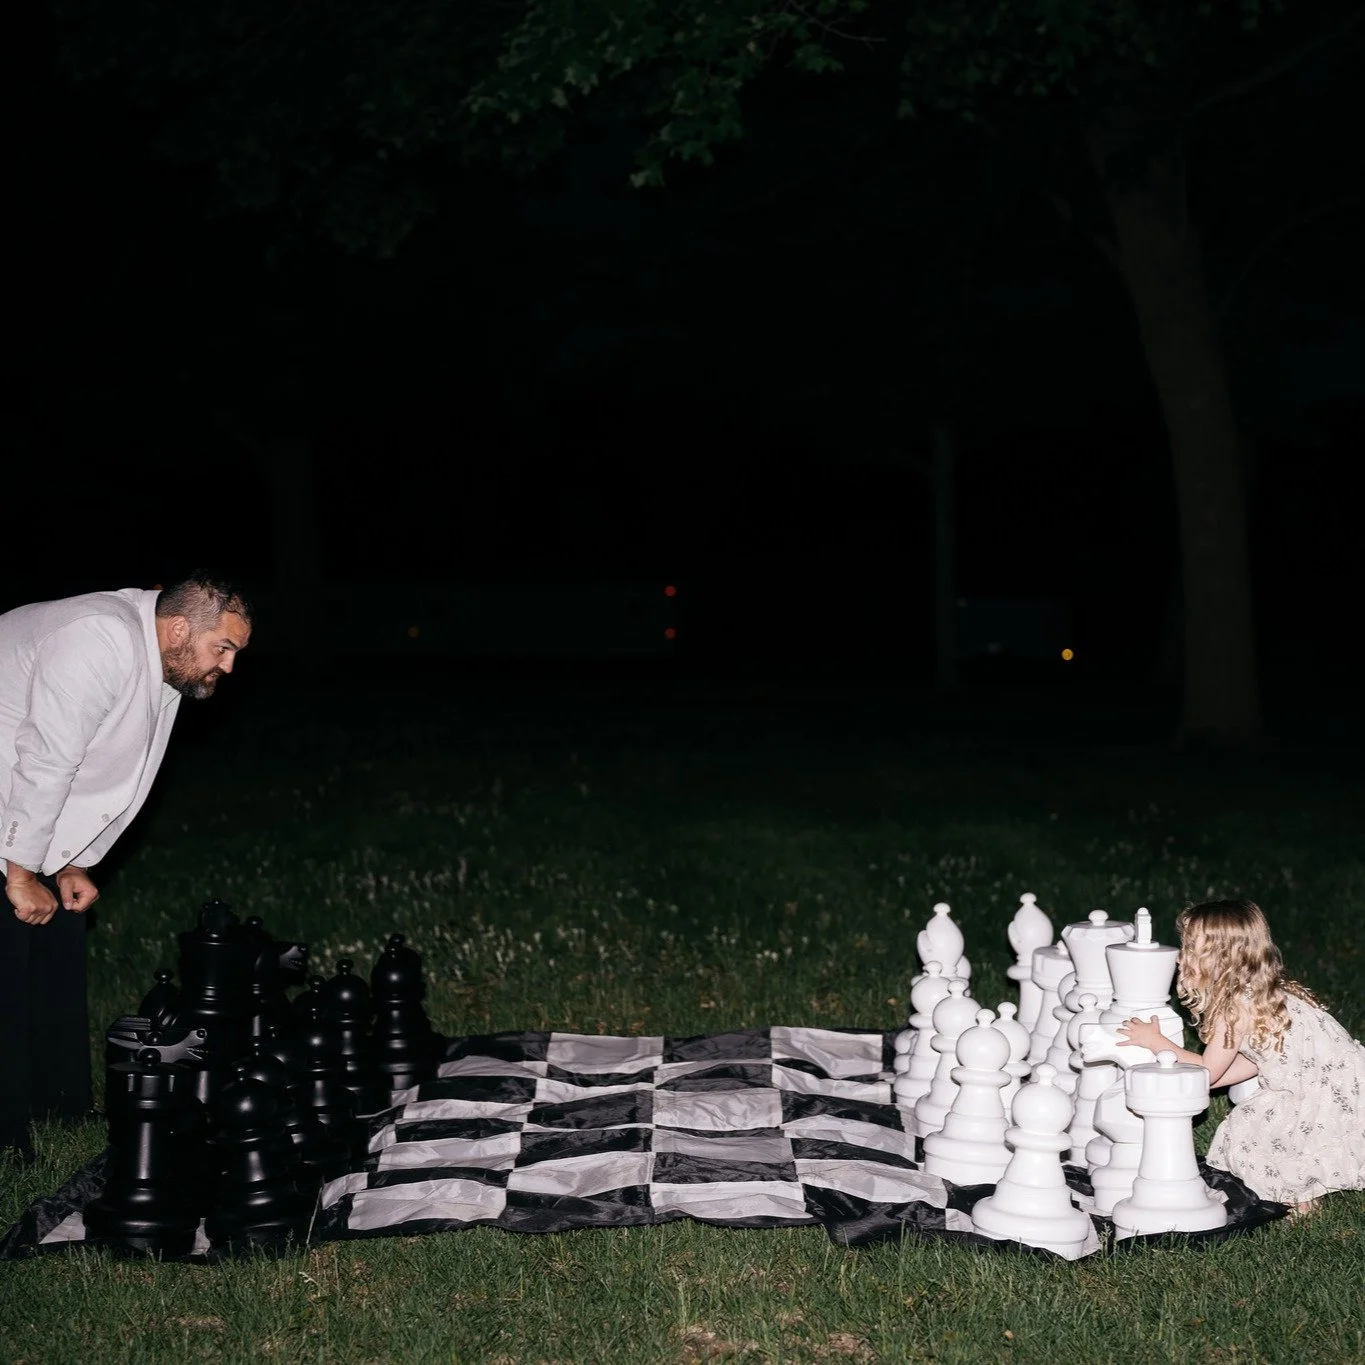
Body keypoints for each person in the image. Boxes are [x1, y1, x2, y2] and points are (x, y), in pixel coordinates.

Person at [0, 574, 252, 1159]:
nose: (230, 666)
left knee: (56, 953)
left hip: (24, 809)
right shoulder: (96, 639)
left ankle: (57, 1110)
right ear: (182, 628)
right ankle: (9, 1145)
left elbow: (113, 771)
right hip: (10, 798)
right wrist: (18, 874)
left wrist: (73, 862)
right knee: (6, 978)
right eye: (224, 648)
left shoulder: (161, 660)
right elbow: (47, 758)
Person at [1120, 898, 1365, 1216]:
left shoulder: (1235, 1008)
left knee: (1248, 1138)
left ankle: (1297, 1196)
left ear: (1217, 959)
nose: (1180, 958)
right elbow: (1255, 1057)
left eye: (1190, 949)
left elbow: (1207, 1071)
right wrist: (1213, 1076)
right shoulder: (1265, 990)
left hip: (1317, 1092)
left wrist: (1156, 1043)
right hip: (1344, 1080)